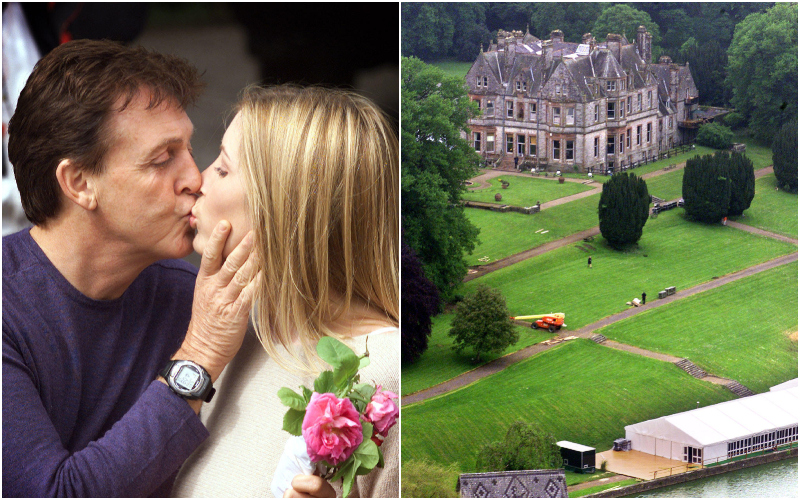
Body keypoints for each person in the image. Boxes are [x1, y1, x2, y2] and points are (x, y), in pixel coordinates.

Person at [3, 40, 257, 497]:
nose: (195, 178)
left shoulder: (196, 298)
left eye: (188, 149)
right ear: (79, 183)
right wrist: (199, 355)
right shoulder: (8, 310)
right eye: (163, 159)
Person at [172, 85, 399, 497]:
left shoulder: (384, 376)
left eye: (222, 168)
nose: (196, 181)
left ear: (282, 204)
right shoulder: (245, 328)